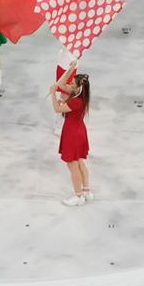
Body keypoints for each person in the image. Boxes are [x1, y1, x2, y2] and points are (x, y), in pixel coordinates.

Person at [52, 68, 94, 205]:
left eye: (72, 84)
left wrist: (53, 94)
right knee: (80, 162)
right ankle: (86, 191)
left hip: (72, 134)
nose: (69, 85)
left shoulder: (75, 101)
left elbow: (57, 109)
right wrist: (71, 68)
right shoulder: (80, 96)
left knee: (73, 166)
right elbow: (61, 84)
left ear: (77, 89)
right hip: (79, 131)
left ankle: (78, 196)